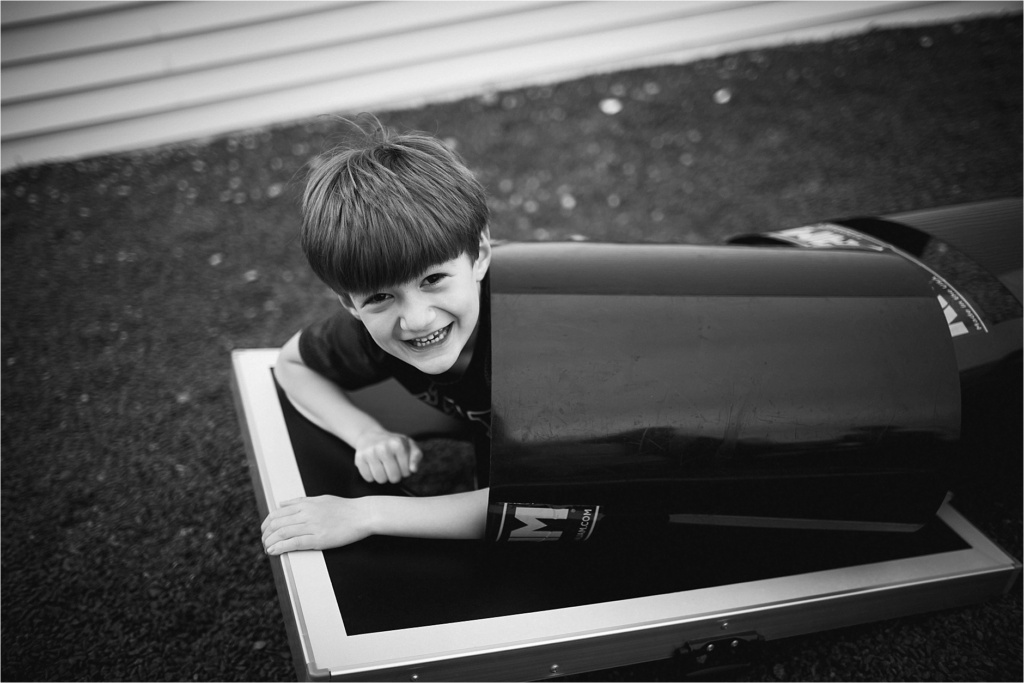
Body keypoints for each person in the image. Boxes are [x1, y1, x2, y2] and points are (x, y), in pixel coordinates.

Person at [261, 117, 493, 555]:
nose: (417, 320)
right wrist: (365, 434)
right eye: (382, 297)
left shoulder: (537, 339)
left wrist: (367, 513)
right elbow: (291, 365)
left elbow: (549, 501)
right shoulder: (371, 330)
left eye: (434, 280)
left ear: (479, 255)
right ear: (350, 304)